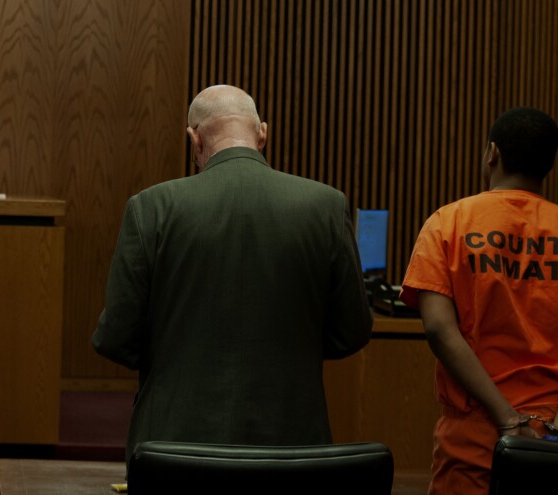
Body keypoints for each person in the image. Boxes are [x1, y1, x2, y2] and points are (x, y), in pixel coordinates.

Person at [92, 84, 373, 466]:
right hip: (292, 450)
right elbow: (352, 330)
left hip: (174, 449)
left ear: (194, 139)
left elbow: (116, 336)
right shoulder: (325, 206)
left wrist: (176, 352)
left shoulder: (151, 208)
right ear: (262, 134)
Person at [399, 107, 558, 495]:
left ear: (492, 153)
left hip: (475, 438)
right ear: (548, 165)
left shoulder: (448, 223)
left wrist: (507, 421)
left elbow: (439, 329)